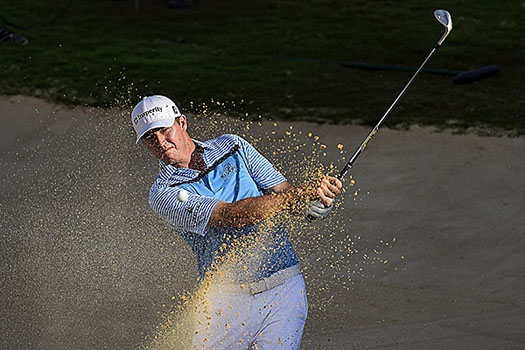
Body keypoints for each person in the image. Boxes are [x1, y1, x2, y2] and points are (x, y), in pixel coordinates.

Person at [131, 95, 342, 349]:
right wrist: (296, 196)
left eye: (165, 131)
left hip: (284, 289)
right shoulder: (162, 193)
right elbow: (229, 216)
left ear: (182, 123)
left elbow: (283, 191)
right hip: (226, 303)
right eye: (150, 138)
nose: (161, 143)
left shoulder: (233, 145)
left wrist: (314, 203)